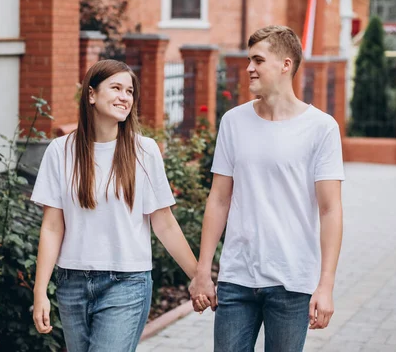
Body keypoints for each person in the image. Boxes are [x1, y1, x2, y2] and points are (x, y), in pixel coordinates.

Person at [189, 25, 344, 351]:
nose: (249, 68)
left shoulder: (321, 128)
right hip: (237, 279)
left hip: (292, 281)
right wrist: (203, 271)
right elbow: (218, 199)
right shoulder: (233, 121)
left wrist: (325, 285)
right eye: (249, 60)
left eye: (258, 60)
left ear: (285, 64)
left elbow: (330, 210)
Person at [30, 59, 198, 352]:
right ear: (91, 94)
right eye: (116, 88)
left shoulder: (144, 151)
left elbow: (164, 222)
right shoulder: (61, 151)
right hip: (71, 283)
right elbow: (52, 226)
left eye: (129, 91)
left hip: (127, 283)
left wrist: (199, 276)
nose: (124, 97)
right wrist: (40, 290)